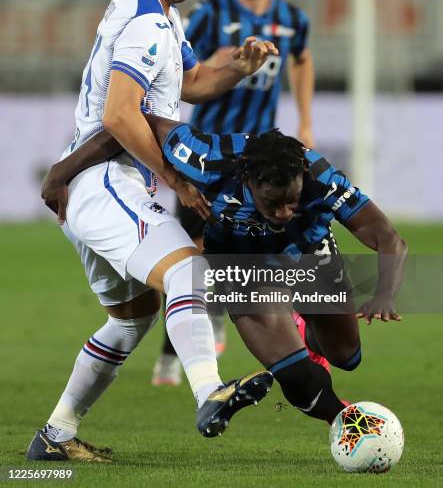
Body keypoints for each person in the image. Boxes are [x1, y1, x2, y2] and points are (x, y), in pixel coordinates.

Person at [27, 0, 279, 464]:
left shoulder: (159, 12)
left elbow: (186, 83)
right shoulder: (144, 20)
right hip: (105, 178)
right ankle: (209, 391)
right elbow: (121, 115)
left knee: (130, 318)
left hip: (95, 185)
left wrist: (238, 67)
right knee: (189, 270)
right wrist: (178, 180)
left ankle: (55, 437)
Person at [41, 113, 407, 430]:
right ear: (248, 183)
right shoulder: (208, 157)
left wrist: (385, 294)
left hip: (310, 259)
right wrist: (63, 171)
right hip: (240, 267)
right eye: (272, 203)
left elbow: (388, 238)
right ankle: (349, 426)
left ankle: (304, 322)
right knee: (299, 379)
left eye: (292, 201)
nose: (283, 212)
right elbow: (138, 124)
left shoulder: (321, 178)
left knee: (346, 356)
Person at [153, 0, 316, 385]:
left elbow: (301, 59)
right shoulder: (208, 15)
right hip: (208, 157)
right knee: (190, 255)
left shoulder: (292, 18)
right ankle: (170, 354)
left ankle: (274, 337)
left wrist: (304, 119)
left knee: (264, 247)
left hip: (263, 162)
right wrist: (228, 61)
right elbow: (189, 71)